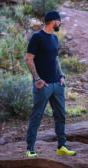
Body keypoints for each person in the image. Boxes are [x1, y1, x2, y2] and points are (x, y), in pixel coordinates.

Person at [25, 10, 76, 158]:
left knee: (60, 115)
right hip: (43, 85)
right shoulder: (36, 37)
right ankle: (30, 149)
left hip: (57, 84)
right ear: (53, 22)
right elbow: (29, 59)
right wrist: (37, 79)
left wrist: (61, 75)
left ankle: (62, 146)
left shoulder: (54, 38)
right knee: (37, 116)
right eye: (59, 21)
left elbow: (55, 59)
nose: (60, 24)